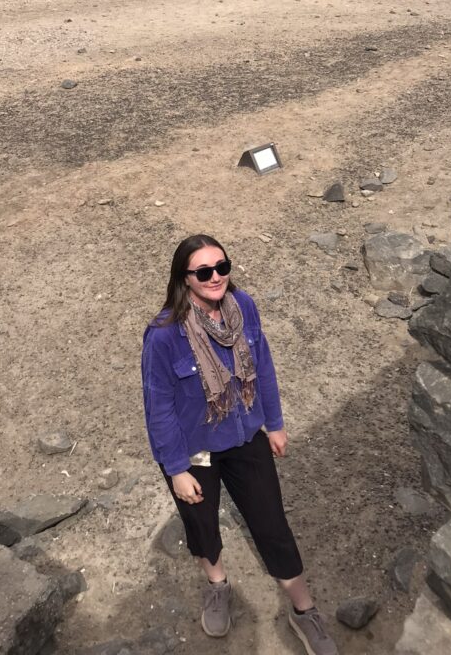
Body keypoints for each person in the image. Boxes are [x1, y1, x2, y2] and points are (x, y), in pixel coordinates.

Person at [142, 233, 338, 655]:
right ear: (185, 278)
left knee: (272, 523)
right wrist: (176, 468)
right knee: (203, 525)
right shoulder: (163, 335)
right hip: (193, 447)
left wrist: (276, 422)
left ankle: (303, 611)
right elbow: (158, 406)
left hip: (244, 434)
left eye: (222, 267)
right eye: (204, 271)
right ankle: (218, 584)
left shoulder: (243, 307)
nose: (216, 277)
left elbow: (262, 364)